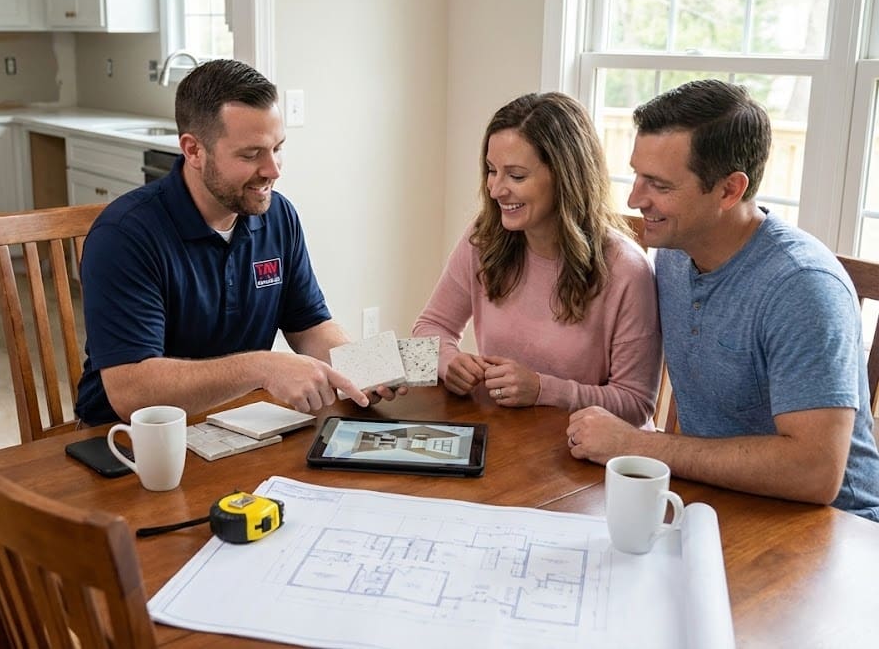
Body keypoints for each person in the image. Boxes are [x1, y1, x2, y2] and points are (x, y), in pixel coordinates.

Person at [567, 79, 879, 520]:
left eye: (658, 184)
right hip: (715, 503)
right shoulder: (675, 254)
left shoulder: (803, 287)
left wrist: (636, 445)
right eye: (637, 175)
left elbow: (815, 472)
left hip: (834, 529)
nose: (636, 199)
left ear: (730, 190)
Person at [75, 59, 395, 425]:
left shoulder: (278, 217)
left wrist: (364, 367)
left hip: (238, 424)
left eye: (278, 148)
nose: (274, 170)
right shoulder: (125, 236)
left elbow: (309, 325)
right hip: (127, 442)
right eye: (251, 154)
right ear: (193, 150)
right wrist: (261, 367)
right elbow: (131, 392)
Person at [412, 92, 662, 426]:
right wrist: (447, 360)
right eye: (491, 170)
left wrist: (544, 390)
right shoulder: (483, 239)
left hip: (586, 456)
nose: (496, 189)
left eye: (516, 176)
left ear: (566, 177)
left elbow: (636, 404)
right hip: (507, 439)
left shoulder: (626, 270)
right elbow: (431, 327)